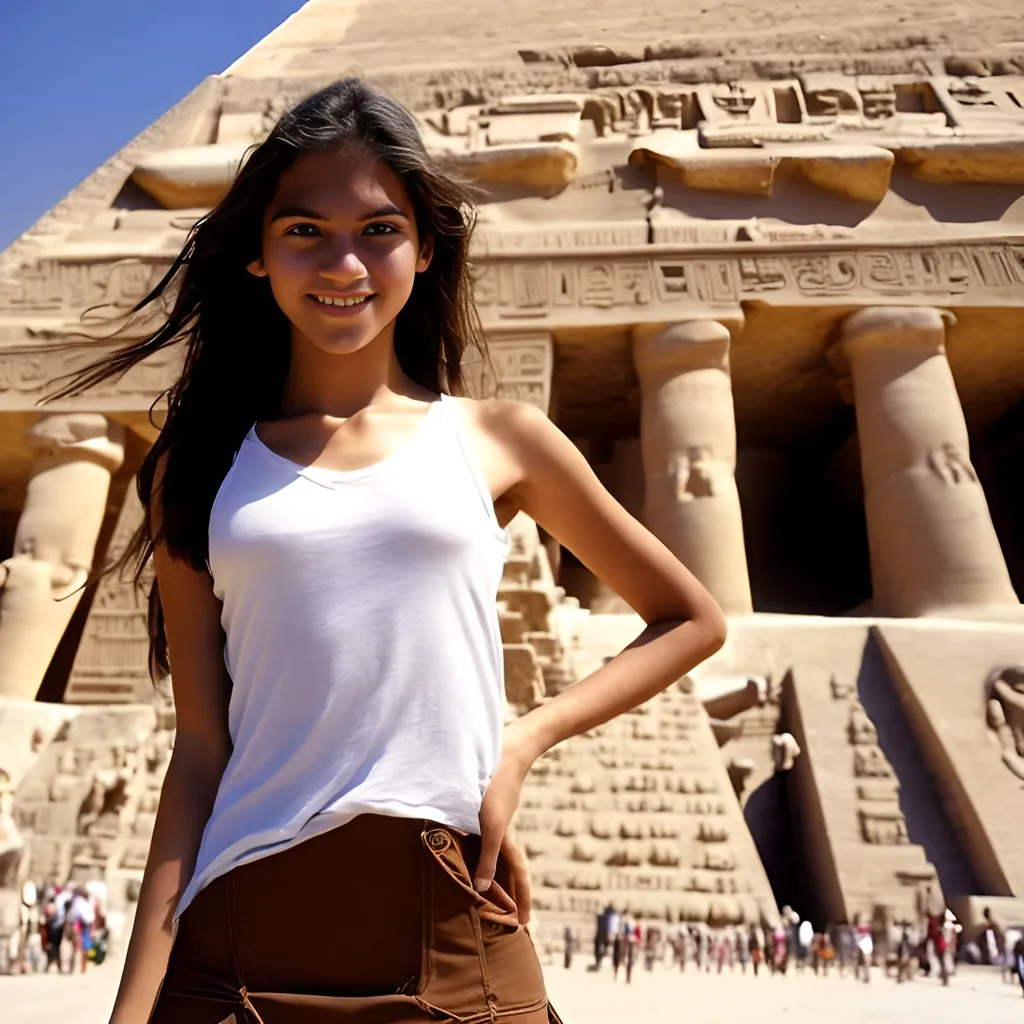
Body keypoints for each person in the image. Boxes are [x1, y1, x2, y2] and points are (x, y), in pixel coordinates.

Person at [64, 78, 727, 1024]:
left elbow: (691, 619)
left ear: (424, 249)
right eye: (304, 230)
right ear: (256, 254)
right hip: (241, 943)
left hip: (456, 935)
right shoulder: (198, 464)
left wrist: (519, 741)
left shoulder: (502, 439)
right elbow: (202, 752)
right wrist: (132, 1010)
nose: (345, 261)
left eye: (379, 230)